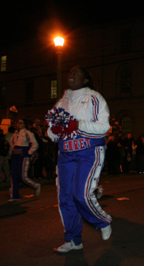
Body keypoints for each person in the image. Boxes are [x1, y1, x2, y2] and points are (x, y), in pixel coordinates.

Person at [46, 66, 112, 252]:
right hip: (66, 154)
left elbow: (103, 127)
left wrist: (76, 125)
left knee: (81, 195)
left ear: (85, 80)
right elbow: (51, 130)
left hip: (88, 152)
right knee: (65, 197)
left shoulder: (94, 97)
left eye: (77, 73)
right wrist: (55, 131)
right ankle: (74, 240)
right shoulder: (62, 102)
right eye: (70, 72)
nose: (71, 75)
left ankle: (102, 221)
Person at [9, 118, 41, 202]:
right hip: (15, 156)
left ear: (24, 124)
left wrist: (29, 152)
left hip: (23, 156)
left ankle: (36, 186)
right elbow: (11, 142)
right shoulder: (16, 133)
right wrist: (14, 149)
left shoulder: (27, 133)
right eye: (18, 123)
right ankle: (15, 196)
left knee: (23, 177)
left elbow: (35, 144)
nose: (19, 124)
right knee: (14, 176)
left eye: (21, 123)